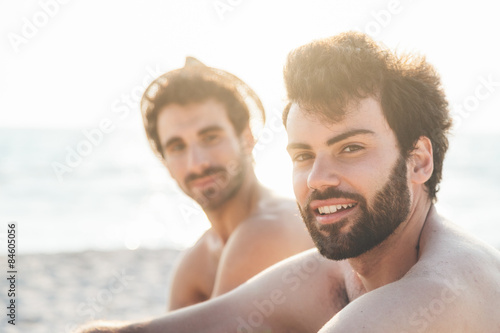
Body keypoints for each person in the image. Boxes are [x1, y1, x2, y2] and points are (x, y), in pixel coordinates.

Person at [77, 32, 500, 332]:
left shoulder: (435, 293)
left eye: (350, 148)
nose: (317, 179)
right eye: (303, 155)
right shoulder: (342, 271)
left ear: (418, 161)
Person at [139, 57, 314, 311]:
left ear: (247, 137)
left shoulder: (270, 227)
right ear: (165, 163)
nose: (197, 163)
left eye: (210, 137)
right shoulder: (196, 260)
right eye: (177, 147)